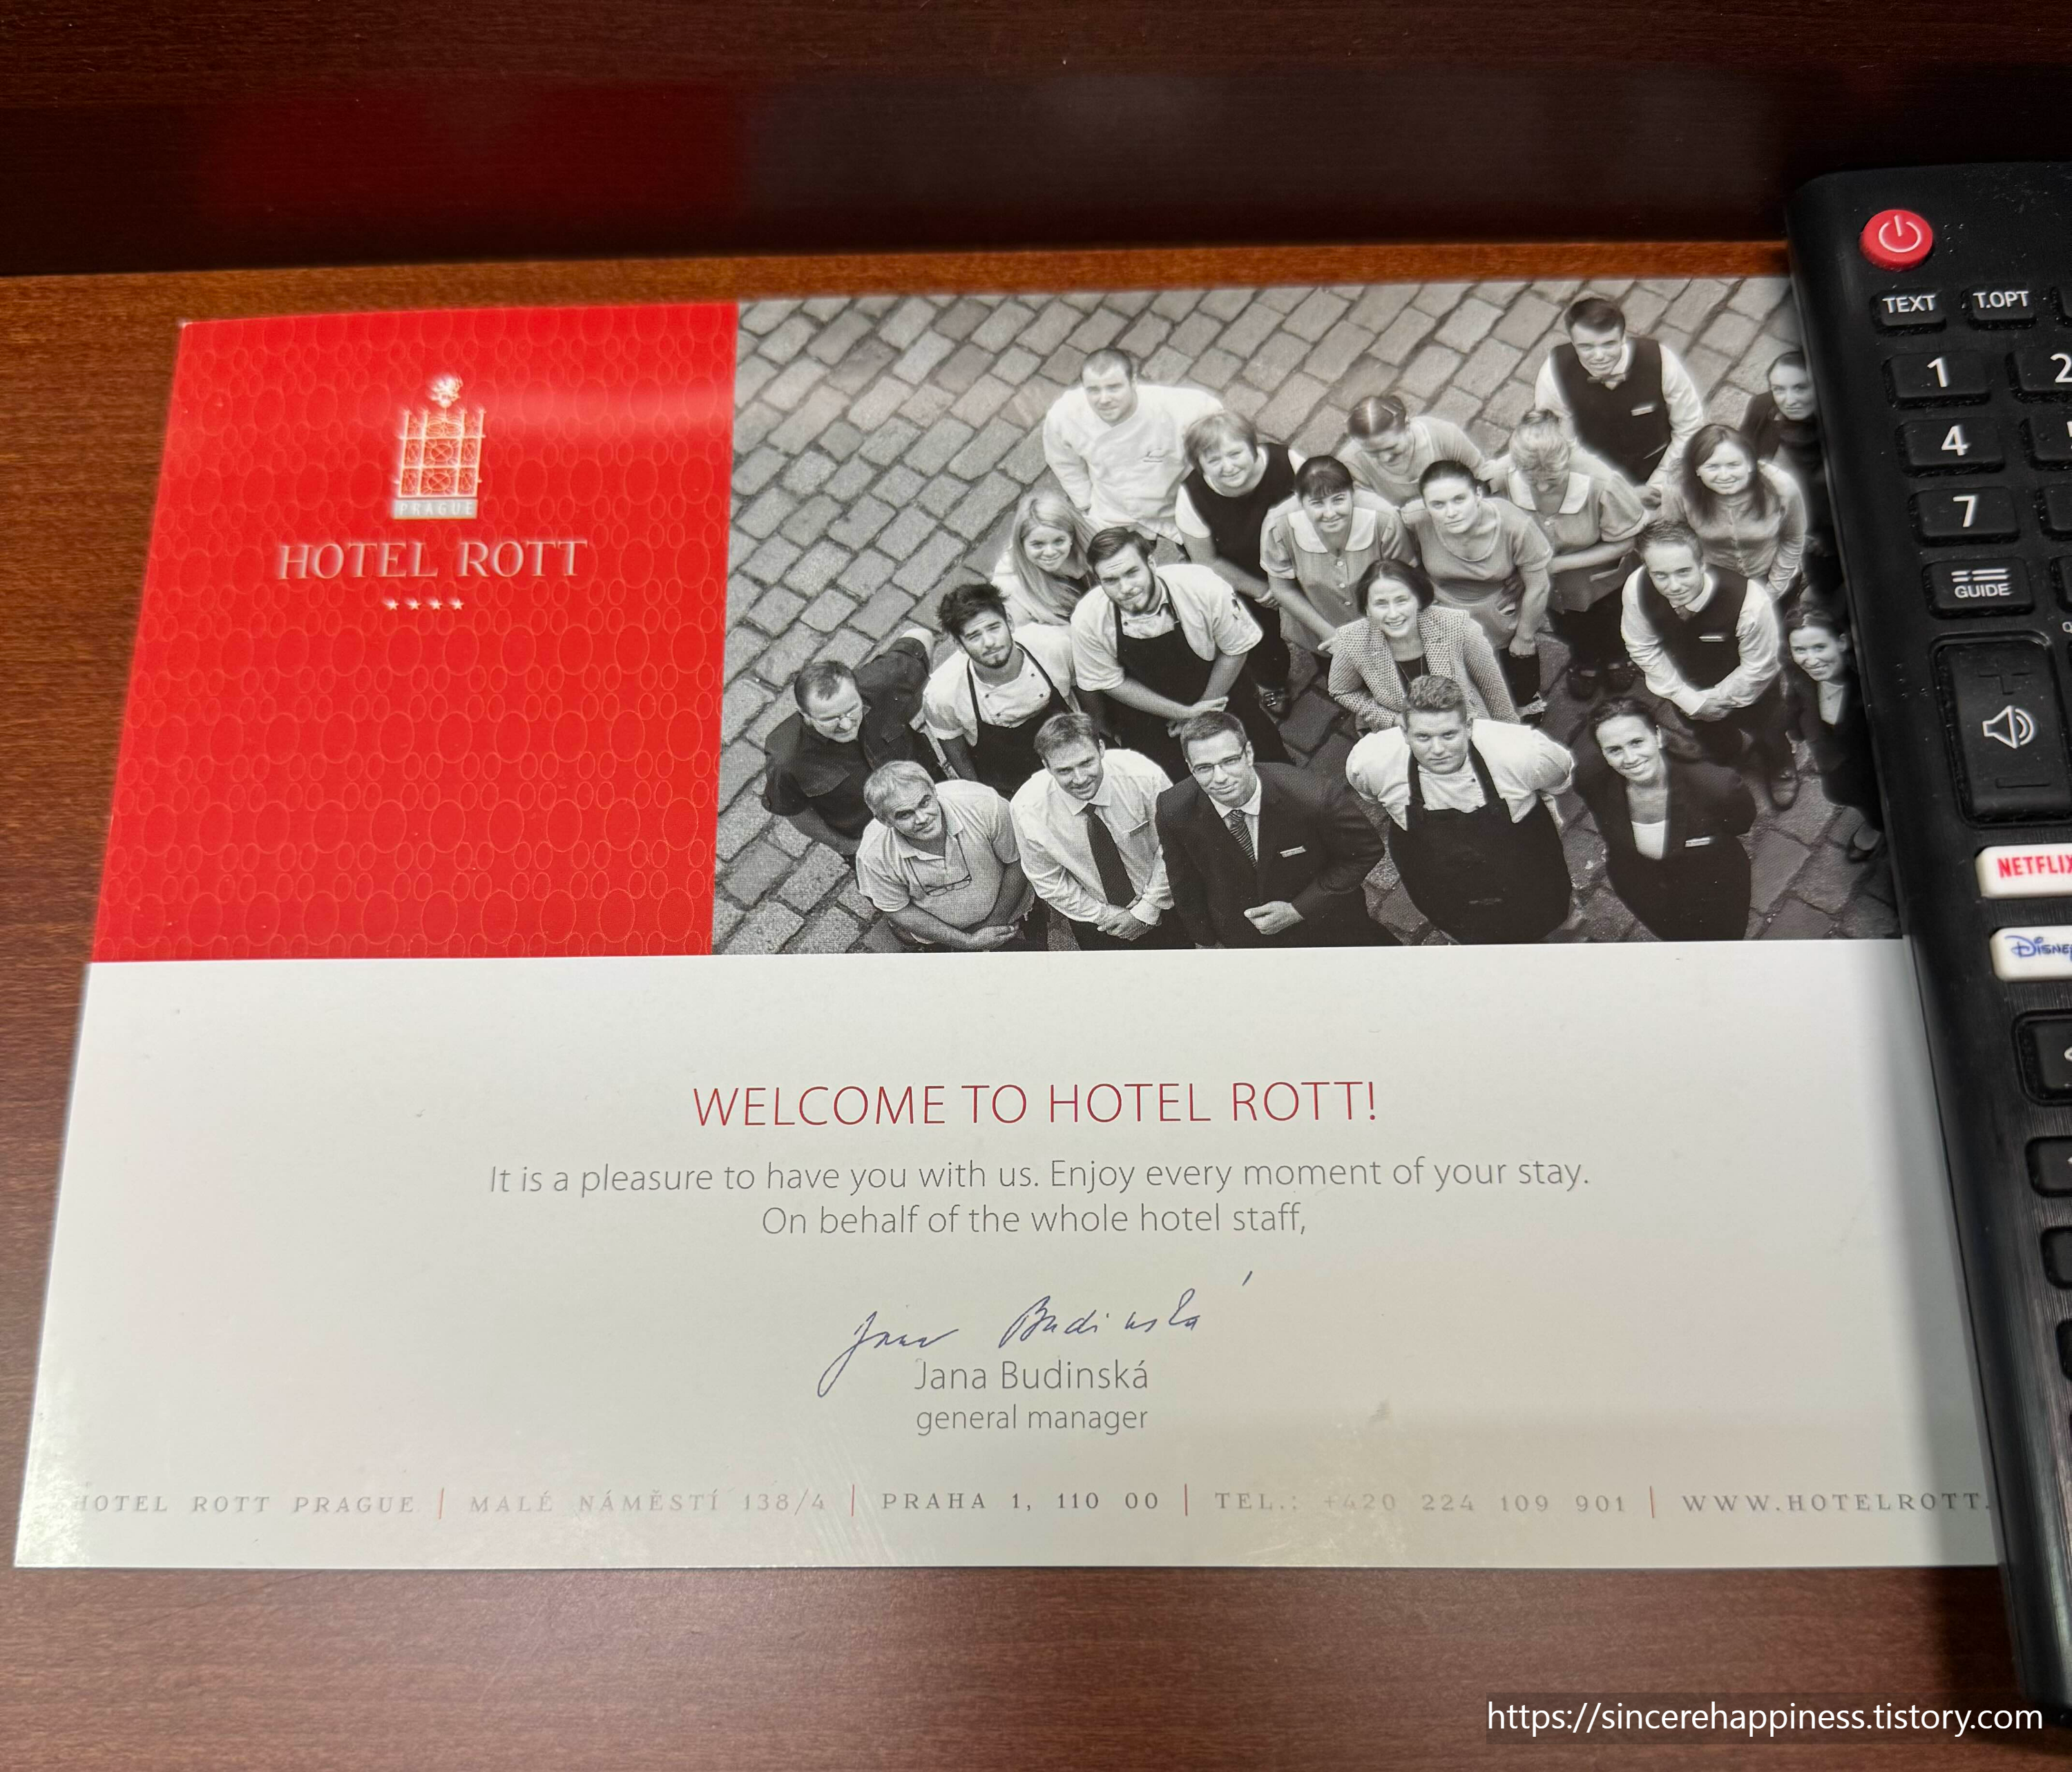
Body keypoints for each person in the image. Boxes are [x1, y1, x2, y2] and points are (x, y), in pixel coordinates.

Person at [1345, 676, 1577, 944]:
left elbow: (1559, 781)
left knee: (1556, 919)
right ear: (1405, 733)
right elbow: (1370, 796)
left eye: (1449, 735)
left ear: (1468, 727)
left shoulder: (1524, 753)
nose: (1437, 750)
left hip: (1526, 872)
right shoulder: (1371, 763)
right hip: (1442, 885)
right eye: (1423, 737)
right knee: (1466, 933)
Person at [1154, 712, 1394, 948]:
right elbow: (1184, 883)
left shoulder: (1314, 797)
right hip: (1245, 937)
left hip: (1328, 924)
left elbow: (1365, 852)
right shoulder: (1172, 809)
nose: (1220, 778)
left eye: (1230, 761)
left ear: (1249, 753)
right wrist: (1207, 942)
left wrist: (1298, 910)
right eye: (1204, 768)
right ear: (1190, 767)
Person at [1068, 527, 1289, 779]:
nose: (1125, 588)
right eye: (1111, 580)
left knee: (1266, 761)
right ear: (1099, 581)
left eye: (1132, 572)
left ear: (1151, 563)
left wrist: (1202, 711)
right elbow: (1110, 681)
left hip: (1218, 690)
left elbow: (1236, 650)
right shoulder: (1088, 618)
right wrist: (1181, 714)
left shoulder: (1202, 586)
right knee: (1173, 785)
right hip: (1152, 712)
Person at [1620, 522, 1797, 808]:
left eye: (1683, 572)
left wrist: (1715, 701)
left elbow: (1759, 667)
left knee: (1770, 728)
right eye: (1660, 575)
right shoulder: (1636, 588)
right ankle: (1729, 754)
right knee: (1708, 734)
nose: (1673, 586)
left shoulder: (1750, 602)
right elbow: (1641, 646)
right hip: (1687, 687)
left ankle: (1781, 764)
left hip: (1751, 690)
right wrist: (1690, 700)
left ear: (1702, 563)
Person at [1492, 410, 1649, 701]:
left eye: (1552, 480)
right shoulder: (1503, 475)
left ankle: (1617, 657)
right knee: (1569, 629)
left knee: (1613, 625)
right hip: (1553, 592)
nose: (1541, 487)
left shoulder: (1602, 483)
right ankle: (1585, 660)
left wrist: (1554, 565)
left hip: (1603, 584)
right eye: (1531, 480)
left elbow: (1626, 543)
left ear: (1568, 458)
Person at [1575, 697, 1756, 942]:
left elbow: (1741, 822)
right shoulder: (1592, 780)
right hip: (1644, 888)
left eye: (1637, 742)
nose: (1630, 758)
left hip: (1713, 888)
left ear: (1658, 737)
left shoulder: (1716, 788)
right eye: (1615, 750)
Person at [1009, 712, 1189, 950]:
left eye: (1087, 763)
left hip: (1166, 900)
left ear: (1102, 749)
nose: (1080, 779)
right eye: (1065, 771)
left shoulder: (1144, 777)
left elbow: (1173, 845)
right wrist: (1108, 916)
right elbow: (1048, 881)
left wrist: (1148, 907)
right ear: (1046, 766)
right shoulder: (1028, 809)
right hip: (1098, 921)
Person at [1399, 458, 1553, 718]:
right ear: (1425, 506)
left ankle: (1525, 701)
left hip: (1500, 609)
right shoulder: (1415, 520)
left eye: (1459, 499)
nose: (1451, 512)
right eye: (1438, 504)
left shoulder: (1514, 525)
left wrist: (1525, 636)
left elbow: (1539, 586)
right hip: (1446, 609)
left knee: (1517, 662)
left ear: (1478, 494)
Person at [760, 632, 936, 858]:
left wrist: (914, 702)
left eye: (852, 709)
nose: (846, 725)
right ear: (805, 715)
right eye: (829, 719)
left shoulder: (883, 682)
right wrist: (846, 847)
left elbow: (920, 637)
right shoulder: (787, 759)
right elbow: (794, 811)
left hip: (932, 805)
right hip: (876, 843)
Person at [1175, 410, 1301, 714]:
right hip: (1242, 574)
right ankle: (1272, 682)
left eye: (1235, 453)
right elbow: (1207, 560)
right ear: (1200, 464)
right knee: (1257, 634)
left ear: (1253, 447)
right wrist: (1263, 590)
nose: (1228, 467)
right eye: (1214, 460)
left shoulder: (1288, 463)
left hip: (1299, 558)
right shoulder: (1191, 497)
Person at [1042, 349, 1221, 544]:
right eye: (1093, 390)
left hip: (1174, 506)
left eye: (1114, 388)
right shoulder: (1065, 415)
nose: (1104, 399)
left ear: (1134, 382)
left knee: (1201, 551)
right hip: (1113, 512)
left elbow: (1219, 423)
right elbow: (1062, 461)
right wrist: (1084, 502)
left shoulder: (1176, 407)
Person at [1533, 295, 1705, 495]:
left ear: (1623, 337)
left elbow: (1690, 427)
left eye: (1609, 344)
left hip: (1662, 472)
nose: (1599, 356)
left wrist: (1658, 485)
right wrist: (1613, 489)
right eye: (1586, 347)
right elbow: (1560, 444)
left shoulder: (1660, 361)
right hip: (1597, 482)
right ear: (1572, 341)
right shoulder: (1553, 374)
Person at [853, 763, 1034, 951]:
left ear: (934, 790)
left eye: (924, 803)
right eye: (905, 815)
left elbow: (1018, 859)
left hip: (1011, 916)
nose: (922, 819)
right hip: (942, 937)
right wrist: (966, 942)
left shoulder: (983, 804)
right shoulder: (873, 854)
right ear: (884, 820)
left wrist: (995, 925)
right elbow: (898, 909)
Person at [923, 583, 1081, 798]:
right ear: (959, 645)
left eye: (994, 628)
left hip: (1074, 760)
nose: (989, 642)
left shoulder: (1054, 646)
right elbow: (957, 754)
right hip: (1009, 788)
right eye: (974, 636)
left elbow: (1086, 694)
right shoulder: (942, 694)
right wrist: (986, 798)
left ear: (1010, 622)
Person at [1327, 558, 1518, 732]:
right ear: (1367, 609)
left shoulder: (1457, 626)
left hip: (1465, 727)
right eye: (1381, 604)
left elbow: (1493, 689)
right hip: (1402, 735)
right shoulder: (1351, 640)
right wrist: (1392, 719)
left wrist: (1511, 737)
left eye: (1402, 601)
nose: (1393, 614)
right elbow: (1342, 691)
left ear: (1418, 600)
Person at [1260, 455, 1414, 658]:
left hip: (1385, 625)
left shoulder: (1383, 519)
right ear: (1300, 500)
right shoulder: (1279, 525)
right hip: (1321, 629)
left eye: (1338, 500)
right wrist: (1332, 636)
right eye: (1317, 503)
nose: (1330, 513)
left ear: (1352, 492)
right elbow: (1283, 589)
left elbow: (1401, 582)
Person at [1655, 423, 1807, 602]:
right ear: (1697, 470)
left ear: (1750, 464)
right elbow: (1676, 543)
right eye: (1712, 467)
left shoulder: (1781, 487)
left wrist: (1773, 590)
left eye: (1733, 465)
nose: (1725, 476)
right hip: (1715, 582)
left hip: (1772, 575)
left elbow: (1793, 539)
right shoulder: (1679, 489)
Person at [1783, 604, 1884, 861]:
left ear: (1841, 642)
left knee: (1877, 800)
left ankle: (1877, 825)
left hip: (1874, 763)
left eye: (1819, 647)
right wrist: (1794, 731)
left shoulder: (1869, 686)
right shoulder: (1800, 675)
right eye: (1800, 650)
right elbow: (1795, 702)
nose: (1810, 660)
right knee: (1842, 792)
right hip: (1834, 760)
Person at [1741, 350, 1837, 596]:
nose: (1789, 400)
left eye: (1800, 388)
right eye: (1779, 389)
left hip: (1818, 538)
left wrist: (1823, 541)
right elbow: (1744, 456)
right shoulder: (1762, 407)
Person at [1335, 394, 1486, 505]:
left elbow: (1481, 475)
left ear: (1407, 425)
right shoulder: (1349, 464)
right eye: (1372, 452)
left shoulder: (1445, 435)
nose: (1385, 458)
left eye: (1392, 447)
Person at [992, 489, 1097, 627]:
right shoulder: (1010, 587)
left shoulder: (1095, 540)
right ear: (1021, 544)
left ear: (1071, 536)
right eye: (1038, 544)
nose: (1049, 552)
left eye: (1059, 541)